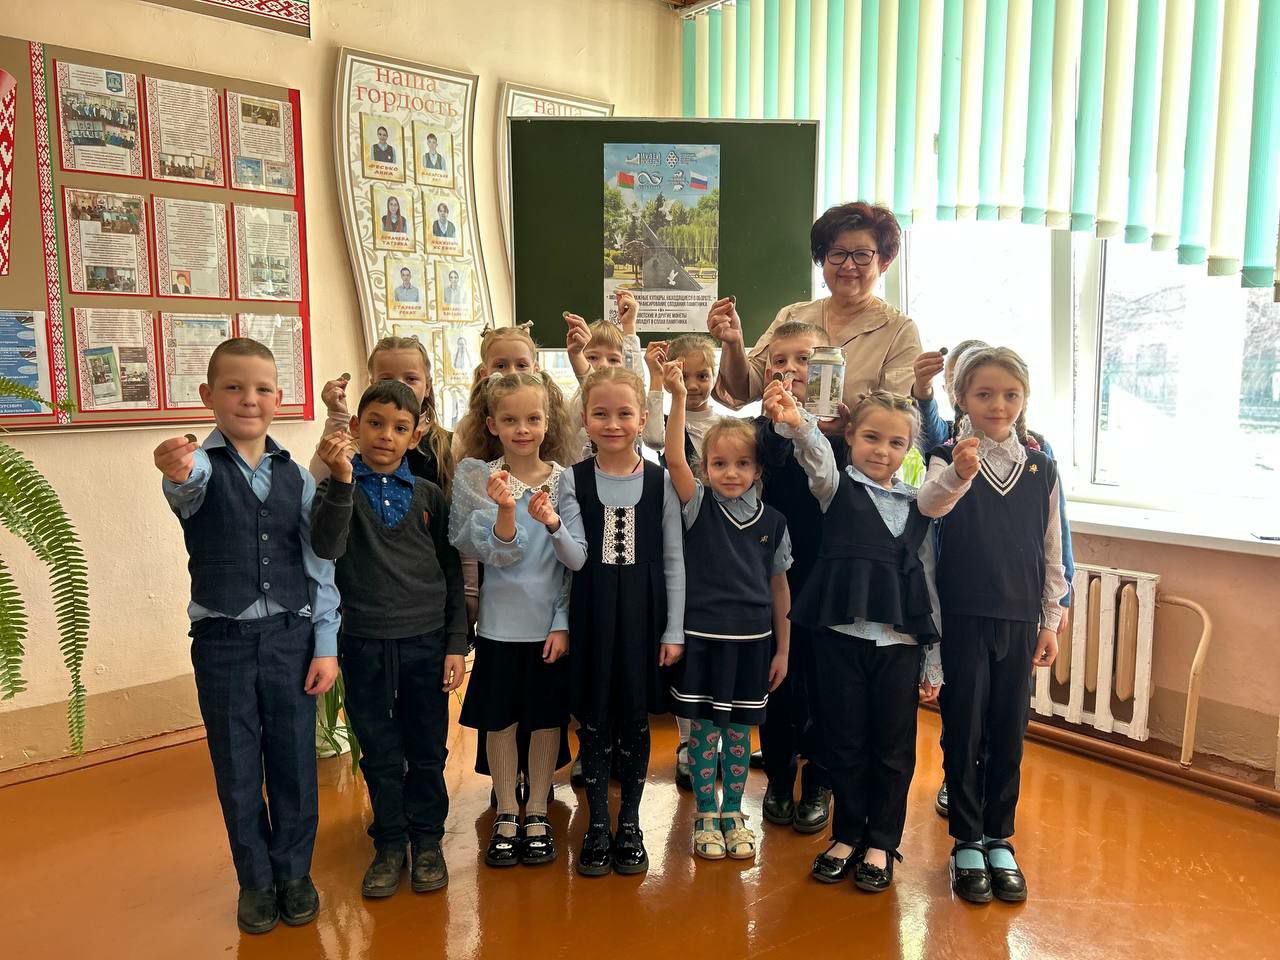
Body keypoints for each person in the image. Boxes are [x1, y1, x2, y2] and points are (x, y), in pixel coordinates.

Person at [150, 338, 339, 935]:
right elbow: (186, 486)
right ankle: (255, 881)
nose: (248, 399)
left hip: (291, 637)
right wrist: (174, 469)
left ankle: (295, 874)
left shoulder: (295, 476)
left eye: (261, 389)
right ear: (208, 395)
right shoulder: (200, 466)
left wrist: (326, 645)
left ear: (278, 398)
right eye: (233, 388)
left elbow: (319, 565)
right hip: (223, 642)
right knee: (235, 766)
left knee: (294, 762)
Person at [765, 382, 942, 893]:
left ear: (908, 449)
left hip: (899, 648)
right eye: (871, 438)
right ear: (851, 438)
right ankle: (846, 835)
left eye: (895, 442)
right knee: (842, 739)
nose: (881, 451)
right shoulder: (836, 488)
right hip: (841, 641)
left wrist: (934, 659)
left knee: (892, 747)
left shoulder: (919, 504)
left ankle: (881, 842)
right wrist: (798, 421)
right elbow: (815, 457)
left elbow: (928, 582)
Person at [918, 346, 1066, 905]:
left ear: (1024, 398)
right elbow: (929, 506)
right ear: (961, 397)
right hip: (963, 616)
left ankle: (999, 836)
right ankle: (966, 839)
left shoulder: (1042, 467)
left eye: (1010, 394)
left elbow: (1051, 549)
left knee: (1008, 730)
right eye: (984, 394)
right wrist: (959, 473)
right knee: (964, 729)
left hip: (1021, 619)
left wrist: (1051, 619)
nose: (998, 404)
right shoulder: (946, 455)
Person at [310, 380, 466, 898]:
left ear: (415, 436)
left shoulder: (429, 496)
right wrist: (340, 481)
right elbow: (327, 545)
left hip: (425, 643)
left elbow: (450, 573)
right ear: (355, 427)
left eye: (400, 428)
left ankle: (427, 840)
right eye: (375, 424)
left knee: (426, 747)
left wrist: (455, 643)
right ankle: (390, 842)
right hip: (364, 643)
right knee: (378, 748)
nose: (385, 435)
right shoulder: (337, 489)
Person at [552, 367, 686, 877]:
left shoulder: (659, 481)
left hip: (644, 616)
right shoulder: (572, 480)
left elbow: (673, 559)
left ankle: (630, 822)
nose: (613, 423)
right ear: (585, 419)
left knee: (633, 719)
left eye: (624, 413)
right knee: (594, 720)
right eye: (601, 413)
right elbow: (570, 563)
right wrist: (561, 621)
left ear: (643, 417)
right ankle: (597, 823)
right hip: (591, 613)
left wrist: (674, 628)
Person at [661, 360, 791, 862]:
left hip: (753, 646)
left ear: (758, 470)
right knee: (704, 733)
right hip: (702, 641)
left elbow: (779, 588)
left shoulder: (774, 523)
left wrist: (783, 650)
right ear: (706, 469)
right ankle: (705, 815)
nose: (730, 473)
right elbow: (675, 459)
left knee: (739, 733)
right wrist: (677, 397)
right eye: (719, 464)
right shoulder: (698, 505)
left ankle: (733, 812)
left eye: (742, 464)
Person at [450, 372, 576, 867]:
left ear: (547, 423)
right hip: (500, 627)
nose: (522, 429)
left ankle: (538, 808)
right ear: (492, 424)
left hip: (547, 628)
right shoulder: (478, 477)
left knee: (545, 720)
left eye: (532, 418)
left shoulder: (566, 480)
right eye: (509, 420)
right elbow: (494, 554)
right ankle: (507, 809)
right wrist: (505, 509)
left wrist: (562, 621)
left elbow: (572, 562)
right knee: (500, 721)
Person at [708, 202, 921, 419]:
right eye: (837, 253)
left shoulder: (899, 331)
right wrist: (733, 342)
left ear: (884, 262)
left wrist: (848, 426)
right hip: (779, 439)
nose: (848, 265)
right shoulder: (792, 316)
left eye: (862, 255)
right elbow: (742, 390)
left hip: (853, 442)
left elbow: (899, 418)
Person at [750, 321, 838, 834]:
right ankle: (780, 776)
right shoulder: (757, 431)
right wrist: (777, 423)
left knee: (824, 681)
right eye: (779, 361)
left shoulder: (841, 429)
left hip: (825, 574)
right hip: (769, 574)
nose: (790, 370)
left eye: (803, 359)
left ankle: (820, 778)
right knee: (777, 677)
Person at [562, 290, 643, 465]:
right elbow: (592, 387)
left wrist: (629, 327)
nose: (603, 365)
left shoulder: (631, 404)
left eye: (613, 359)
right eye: (592, 357)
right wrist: (576, 356)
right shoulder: (574, 405)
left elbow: (635, 381)